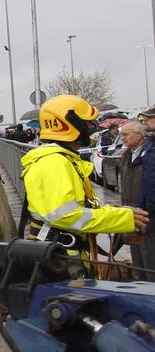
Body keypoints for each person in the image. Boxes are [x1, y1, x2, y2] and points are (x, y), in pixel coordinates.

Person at [20, 95, 147, 265]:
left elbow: (75, 206)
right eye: (86, 123)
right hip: (61, 260)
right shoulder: (55, 163)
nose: (91, 128)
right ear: (69, 124)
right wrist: (121, 219)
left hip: (62, 254)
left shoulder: (60, 160)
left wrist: (116, 211)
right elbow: (65, 215)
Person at [118, 120, 152, 275]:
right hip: (131, 214)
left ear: (139, 135)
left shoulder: (149, 155)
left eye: (126, 134)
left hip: (147, 214)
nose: (122, 138)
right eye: (121, 135)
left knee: (150, 259)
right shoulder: (126, 155)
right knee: (138, 259)